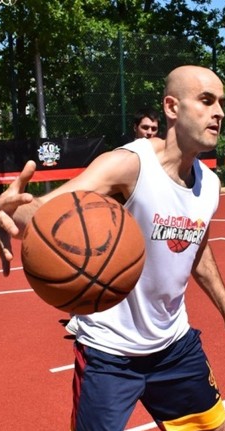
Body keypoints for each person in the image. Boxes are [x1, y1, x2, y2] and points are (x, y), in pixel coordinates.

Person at [0, 65, 225, 431]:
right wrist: (8, 211)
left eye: (222, 104)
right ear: (172, 108)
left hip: (172, 342)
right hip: (110, 349)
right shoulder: (129, 165)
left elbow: (197, 249)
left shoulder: (210, 185)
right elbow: (51, 211)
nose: (219, 112)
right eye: (207, 100)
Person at [65, 106, 162, 336]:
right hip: (116, 231)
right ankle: (84, 316)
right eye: (145, 127)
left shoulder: (159, 161)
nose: (149, 132)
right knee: (108, 277)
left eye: (154, 129)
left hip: (144, 231)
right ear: (135, 129)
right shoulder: (121, 159)